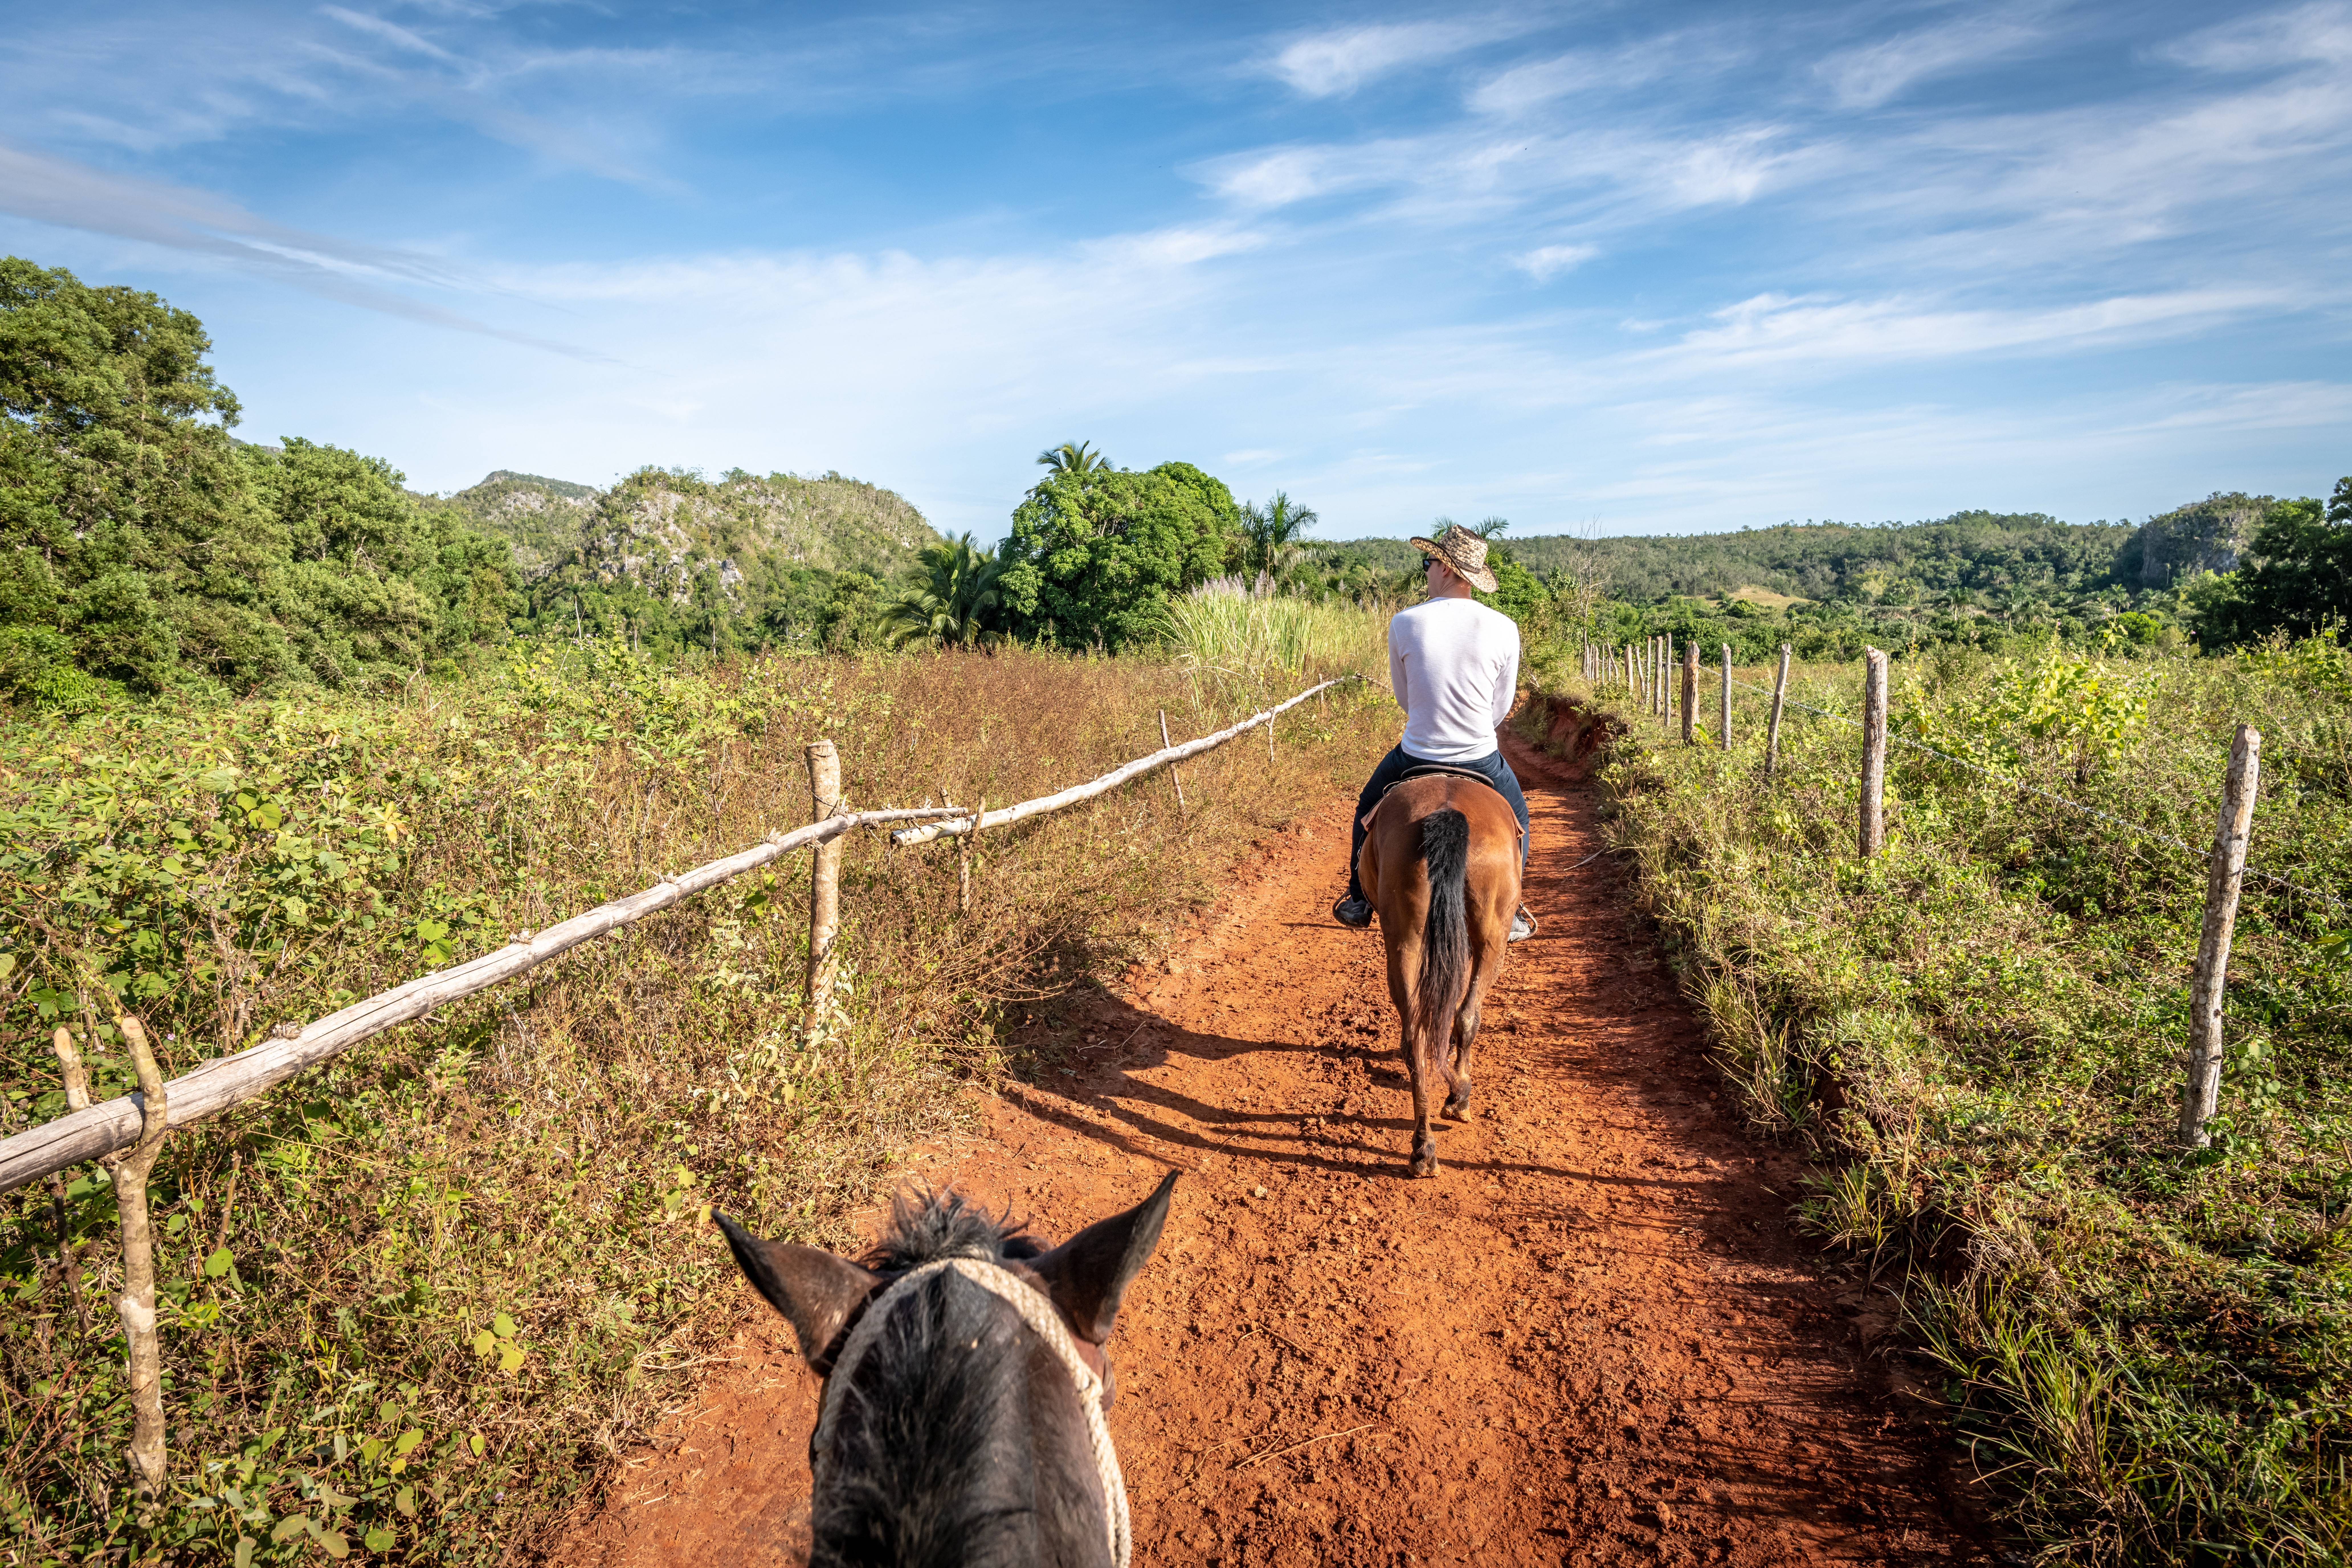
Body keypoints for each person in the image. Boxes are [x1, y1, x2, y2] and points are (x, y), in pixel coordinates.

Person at [1333, 523, 1536, 941]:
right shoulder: (1504, 627)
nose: (1425, 571)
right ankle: (1513, 909)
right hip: (1481, 756)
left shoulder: (1404, 623)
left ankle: (1358, 898)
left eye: (1428, 562)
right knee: (1518, 818)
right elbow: (1500, 707)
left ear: (1446, 568)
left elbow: (1405, 700)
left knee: (1367, 806)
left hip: (1416, 755)